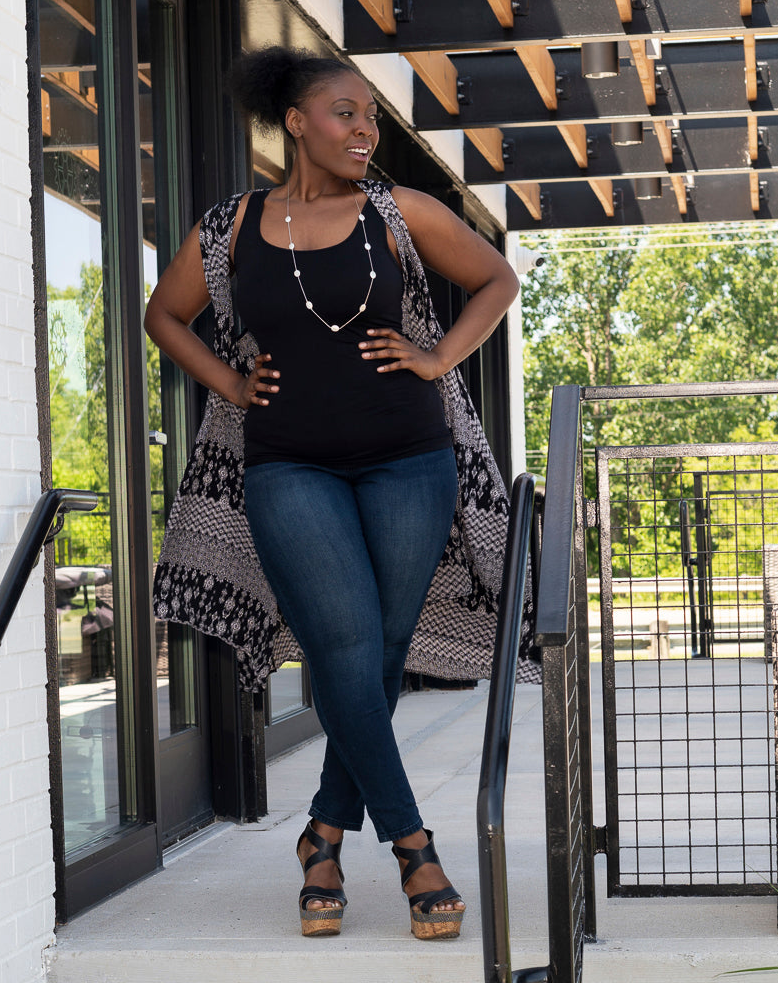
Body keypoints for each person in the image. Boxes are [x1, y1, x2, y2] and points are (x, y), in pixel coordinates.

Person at [145, 46, 521, 941]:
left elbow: (496, 280)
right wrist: (229, 385)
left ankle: (321, 835)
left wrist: (436, 358)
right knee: (348, 647)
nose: (365, 130)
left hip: (409, 463)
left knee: (380, 654)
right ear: (296, 123)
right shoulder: (232, 226)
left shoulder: (401, 212)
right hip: (286, 468)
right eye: (346, 113)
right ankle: (412, 846)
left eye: (371, 117)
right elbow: (165, 314)